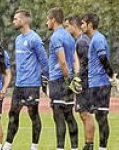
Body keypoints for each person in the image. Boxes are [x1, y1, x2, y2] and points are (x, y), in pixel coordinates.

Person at [5, 9, 48, 150]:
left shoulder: (34, 39)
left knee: (33, 114)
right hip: (19, 84)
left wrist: (45, 81)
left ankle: (34, 146)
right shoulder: (18, 39)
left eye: (16, 19)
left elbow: (44, 61)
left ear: (23, 21)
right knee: (13, 113)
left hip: (31, 84)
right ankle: (7, 145)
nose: (14, 21)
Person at [79, 14, 116, 150]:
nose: (81, 26)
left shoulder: (98, 39)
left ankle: (102, 148)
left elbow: (103, 58)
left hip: (100, 84)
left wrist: (111, 75)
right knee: (98, 116)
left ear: (89, 24)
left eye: (83, 23)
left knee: (102, 117)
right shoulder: (94, 39)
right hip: (95, 84)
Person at [45, 9, 78, 150]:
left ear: (53, 19)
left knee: (59, 117)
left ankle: (60, 148)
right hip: (68, 78)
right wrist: (74, 77)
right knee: (69, 115)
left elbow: (62, 61)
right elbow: (75, 59)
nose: (46, 22)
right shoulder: (69, 36)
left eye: (48, 19)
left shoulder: (56, 37)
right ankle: (75, 147)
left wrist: (66, 80)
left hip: (59, 80)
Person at [67, 17, 91, 150]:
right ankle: (88, 143)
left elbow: (86, 63)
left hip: (85, 83)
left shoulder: (81, 42)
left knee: (85, 113)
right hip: (85, 81)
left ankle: (89, 144)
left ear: (73, 26)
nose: (66, 29)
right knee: (83, 113)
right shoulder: (80, 40)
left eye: (67, 26)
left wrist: (78, 78)